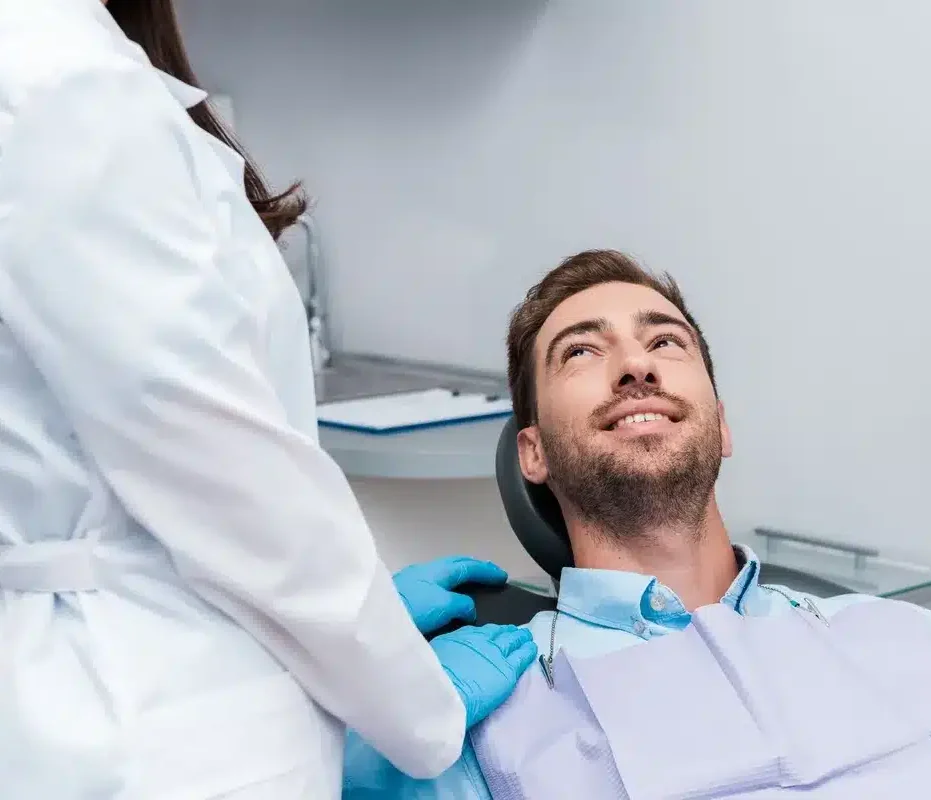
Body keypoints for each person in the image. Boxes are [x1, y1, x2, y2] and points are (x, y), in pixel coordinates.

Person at [0, 1, 534, 798]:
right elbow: (220, 470)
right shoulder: (55, 79)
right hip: (155, 709)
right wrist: (416, 701)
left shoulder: (72, 71)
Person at [345, 249, 931, 798]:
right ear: (532, 452)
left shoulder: (921, 648)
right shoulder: (482, 715)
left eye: (665, 344)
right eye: (583, 352)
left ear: (721, 427)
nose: (635, 368)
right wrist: (343, 709)